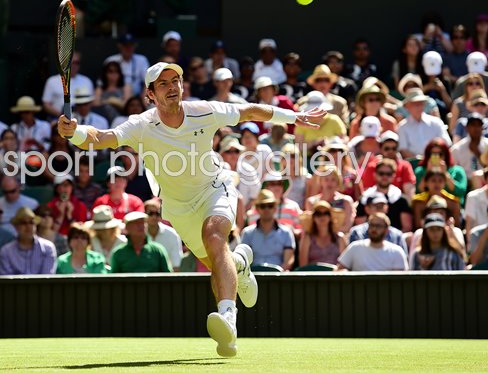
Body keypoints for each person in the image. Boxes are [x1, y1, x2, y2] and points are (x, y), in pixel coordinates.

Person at [58, 61, 325, 357]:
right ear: (150, 94)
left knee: (215, 238)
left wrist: (294, 116)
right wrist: (75, 133)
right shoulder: (141, 125)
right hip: (178, 206)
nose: (172, 87)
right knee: (216, 261)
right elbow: (102, 137)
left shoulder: (204, 111)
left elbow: (250, 110)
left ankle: (228, 320)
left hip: (214, 187)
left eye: (176, 80)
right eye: (163, 83)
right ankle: (240, 265)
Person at [241, 190, 295, 271]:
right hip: (254, 278)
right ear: (257, 209)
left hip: (279, 279)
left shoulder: (286, 232)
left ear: (275, 208)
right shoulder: (247, 233)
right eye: (263, 206)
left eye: (270, 205)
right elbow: (244, 260)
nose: (266, 209)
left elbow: (289, 261)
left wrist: (278, 275)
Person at [337, 213, 408, 271]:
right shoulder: (355, 247)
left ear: (386, 230)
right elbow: (339, 270)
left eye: (378, 226)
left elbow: (400, 281)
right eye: (372, 225)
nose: (374, 229)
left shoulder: (396, 252)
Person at [356, 158, 413, 232]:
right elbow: (359, 227)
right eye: (381, 173)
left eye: (388, 174)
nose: (385, 177)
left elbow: (407, 227)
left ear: (393, 176)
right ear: (375, 175)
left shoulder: (401, 199)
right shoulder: (365, 198)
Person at [360, 131, 417, 200]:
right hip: (376, 205)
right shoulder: (372, 167)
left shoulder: (405, 166)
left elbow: (409, 194)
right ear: (380, 149)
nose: (390, 151)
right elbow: (367, 193)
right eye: (387, 148)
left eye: (394, 148)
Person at [0, 207, 57, 275]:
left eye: (31, 222)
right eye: (23, 223)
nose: (28, 226)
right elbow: (6, 281)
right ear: (16, 227)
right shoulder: (6, 251)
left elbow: (47, 278)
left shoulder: (48, 248)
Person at [397, 88, 452, 159]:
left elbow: (446, 143)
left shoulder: (436, 122)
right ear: (407, 107)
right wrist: (420, 160)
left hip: (437, 160)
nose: (419, 106)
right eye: (415, 104)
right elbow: (403, 149)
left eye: (421, 103)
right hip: (415, 164)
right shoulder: (402, 126)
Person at [414, 138, 467, 204]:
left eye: (440, 154)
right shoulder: (420, 171)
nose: (437, 157)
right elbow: (418, 191)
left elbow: (461, 192)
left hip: (451, 208)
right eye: (433, 154)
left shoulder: (457, 170)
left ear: (446, 155)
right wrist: (427, 172)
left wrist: (445, 173)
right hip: (426, 207)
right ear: (428, 155)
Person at [42, 51, 94, 118]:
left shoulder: (87, 81)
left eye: (76, 63)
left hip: (83, 120)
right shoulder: (52, 81)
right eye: (70, 62)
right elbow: (46, 104)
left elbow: (92, 102)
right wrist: (63, 116)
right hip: (58, 119)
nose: (73, 65)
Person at [305, 165, 354, 234]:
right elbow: (311, 226)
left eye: (333, 180)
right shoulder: (311, 202)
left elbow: (347, 226)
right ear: (321, 181)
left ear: (338, 182)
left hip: (339, 239)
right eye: (326, 179)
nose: (329, 183)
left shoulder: (346, 201)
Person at [298, 200, 346, 267]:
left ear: (330, 217)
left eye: (326, 213)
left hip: (334, 276)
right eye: (318, 214)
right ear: (314, 218)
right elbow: (303, 266)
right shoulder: (307, 238)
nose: (322, 217)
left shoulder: (340, 238)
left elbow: (344, 265)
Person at [144, 198, 183, 271]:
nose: (154, 217)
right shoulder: (139, 233)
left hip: (167, 278)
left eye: (157, 214)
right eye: (150, 213)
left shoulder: (172, 234)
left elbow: (176, 265)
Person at [450, 113, 488, 180]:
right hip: (465, 185)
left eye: (479, 125)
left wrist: (477, 152)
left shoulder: (487, 144)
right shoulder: (457, 149)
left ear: (482, 128)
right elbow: (453, 171)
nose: (476, 128)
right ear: (466, 128)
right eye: (473, 125)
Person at [464, 168, 488, 238]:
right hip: (477, 241)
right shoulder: (472, 197)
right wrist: (470, 245)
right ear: (486, 180)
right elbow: (469, 224)